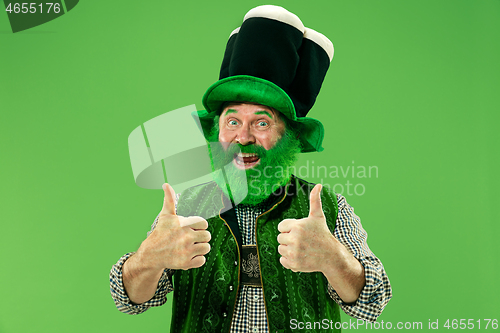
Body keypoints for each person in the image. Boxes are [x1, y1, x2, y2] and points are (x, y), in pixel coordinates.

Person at [110, 5, 391, 333]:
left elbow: (374, 301)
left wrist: (333, 258)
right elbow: (130, 300)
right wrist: (150, 256)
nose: (243, 137)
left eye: (261, 121)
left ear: (287, 136)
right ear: (217, 131)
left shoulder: (327, 208)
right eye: (232, 121)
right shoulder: (185, 206)